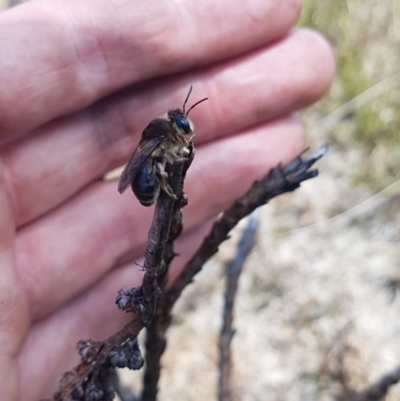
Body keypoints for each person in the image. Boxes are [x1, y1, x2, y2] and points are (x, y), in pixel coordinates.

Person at [0, 0, 334, 399]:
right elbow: (148, 163)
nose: (187, 132)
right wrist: (167, 188)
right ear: (172, 128)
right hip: (147, 181)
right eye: (184, 127)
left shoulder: (170, 135)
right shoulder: (160, 137)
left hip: (152, 182)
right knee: (159, 170)